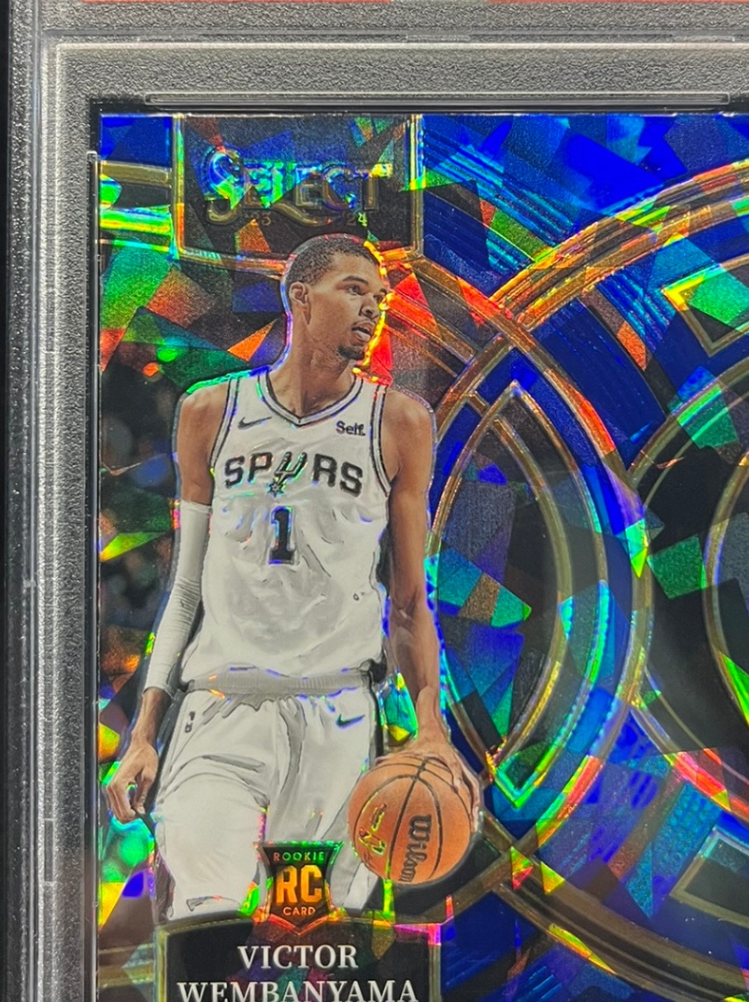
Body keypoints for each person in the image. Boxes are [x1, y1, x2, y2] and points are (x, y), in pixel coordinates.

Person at [103, 232, 479, 919]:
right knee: (208, 917)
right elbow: (185, 588)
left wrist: (429, 726)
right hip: (222, 709)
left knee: (303, 938)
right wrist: (143, 734)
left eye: (380, 297)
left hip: (335, 718)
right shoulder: (211, 411)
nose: (373, 309)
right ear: (301, 297)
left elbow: (408, 600)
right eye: (354, 290)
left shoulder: (398, 421)